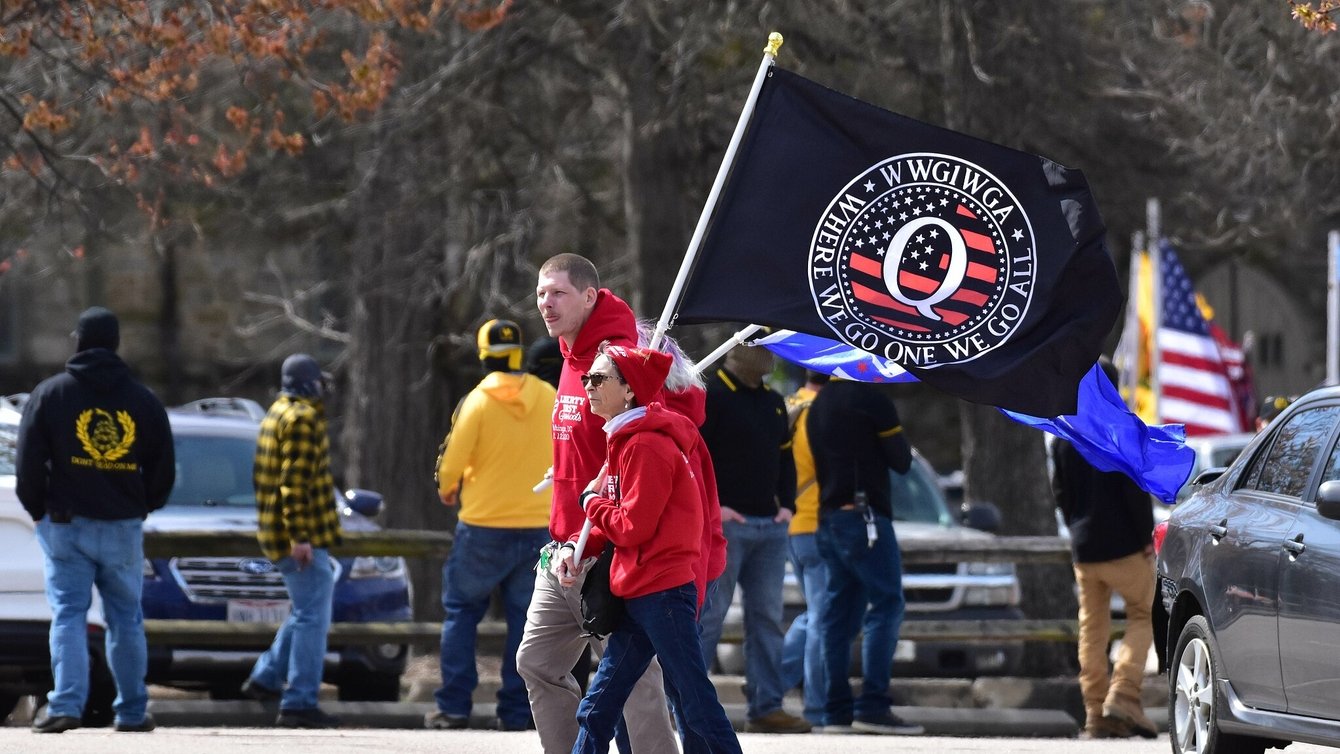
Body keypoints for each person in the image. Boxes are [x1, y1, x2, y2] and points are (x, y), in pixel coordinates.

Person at [517, 253, 677, 754]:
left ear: (589, 296)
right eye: (541, 293)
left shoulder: (620, 360)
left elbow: (646, 446)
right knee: (536, 661)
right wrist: (563, 470)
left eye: (558, 292)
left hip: (608, 547)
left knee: (632, 677)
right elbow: (590, 442)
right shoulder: (568, 356)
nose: (546, 303)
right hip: (563, 546)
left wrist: (603, 530)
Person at [571, 344, 741, 754]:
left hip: (662, 590)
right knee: (599, 706)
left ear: (629, 390)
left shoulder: (646, 445)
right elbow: (628, 522)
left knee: (694, 702)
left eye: (598, 379)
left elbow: (631, 527)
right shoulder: (629, 440)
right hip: (641, 588)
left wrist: (590, 501)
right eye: (585, 378)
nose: (588, 387)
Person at [17, 307, 175, 734]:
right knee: (126, 618)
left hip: (66, 524)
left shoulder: (51, 395)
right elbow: (163, 467)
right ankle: (131, 710)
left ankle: (66, 704)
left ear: (79, 341)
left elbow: (28, 461)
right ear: (116, 342)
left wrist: (38, 510)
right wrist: (144, 504)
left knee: (68, 612)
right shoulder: (143, 401)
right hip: (122, 524)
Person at [426, 319, 556, 731]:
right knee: (526, 620)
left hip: (483, 525)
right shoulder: (548, 395)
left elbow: (451, 461)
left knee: (462, 613)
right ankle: (518, 712)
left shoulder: (476, 402)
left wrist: (448, 487)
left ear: (483, 355)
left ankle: (454, 706)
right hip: (538, 524)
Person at [697, 345, 807, 734]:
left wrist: (787, 506)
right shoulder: (712, 397)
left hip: (770, 526)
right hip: (725, 526)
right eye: (760, 351)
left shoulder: (773, 401)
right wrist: (716, 510)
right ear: (740, 354)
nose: (768, 360)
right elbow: (695, 458)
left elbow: (785, 457)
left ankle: (766, 706)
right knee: (709, 617)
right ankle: (687, 707)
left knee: (767, 619)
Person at [806, 378, 923, 735]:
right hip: (864, 516)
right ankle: (873, 704)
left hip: (828, 517)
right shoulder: (871, 399)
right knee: (887, 604)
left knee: (838, 616)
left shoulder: (817, 404)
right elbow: (901, 461)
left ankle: (836, 711)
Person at [1051, 363, 1158, 740]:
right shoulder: (1120, 428)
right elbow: (1135, 493)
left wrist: (1077, 530)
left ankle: (1095, 714)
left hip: (1084, 549)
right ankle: (1124, 695)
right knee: (1145, 614)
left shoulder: (1063, 433)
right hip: (1124, 546)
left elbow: (1060, 494)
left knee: (1091, 630)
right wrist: (1146, 538)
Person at [240, 354, 343, 729]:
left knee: (304, 611)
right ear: (309, 384)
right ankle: (300, 700)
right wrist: (300, 537)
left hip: (276, 533)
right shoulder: (302, 419)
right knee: (313, 617)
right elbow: (293, 486)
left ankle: (265, 678)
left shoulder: (276, 412)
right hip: (302, 538)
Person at [779, 369, 829, 726]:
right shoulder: (825, 410)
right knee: (824, 615)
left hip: (794, 522)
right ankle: (818, 705)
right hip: (819, 522)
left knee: (815, 612)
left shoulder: (789, 405)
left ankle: (772, 684)